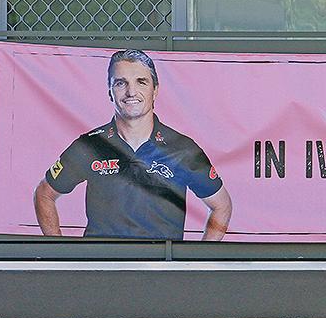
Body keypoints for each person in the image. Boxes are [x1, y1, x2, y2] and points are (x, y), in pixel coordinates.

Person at [33, 49, 232, 240]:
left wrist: (198, 259)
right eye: (121, 83)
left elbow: (221, 206)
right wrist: (60, 252)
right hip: (101, 262)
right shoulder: (89, 145)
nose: (131, 92)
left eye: (141, 82)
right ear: (110, 92)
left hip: (161, 262)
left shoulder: (183, 149)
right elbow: (44, 194)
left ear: (155, 90)